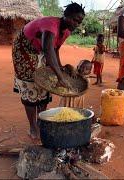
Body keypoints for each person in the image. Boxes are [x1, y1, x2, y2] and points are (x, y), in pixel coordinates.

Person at [12, 2, 85, 139]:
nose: (77, 24)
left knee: (46, 83)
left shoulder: (67, 31)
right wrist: (60, 77)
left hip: (39, 50)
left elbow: (55, 49)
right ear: (66, 15)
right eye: (75, 20)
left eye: (79, 22)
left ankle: (41, 122)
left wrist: (61, 68)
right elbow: (47, 50)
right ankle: (33, 127)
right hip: (24, 49)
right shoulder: (51, 25)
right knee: (30, 87)